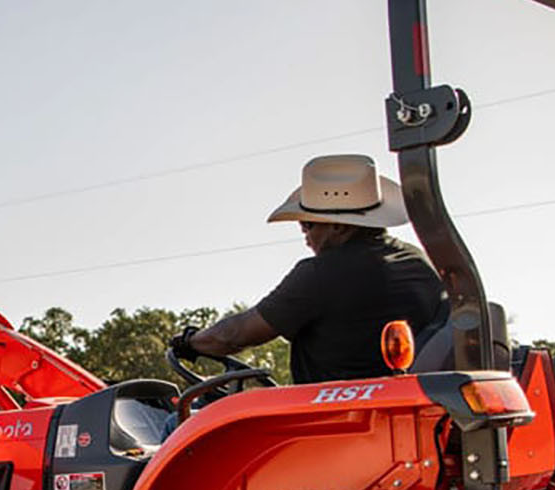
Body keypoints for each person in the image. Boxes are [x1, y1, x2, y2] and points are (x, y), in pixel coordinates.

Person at [173, 154, 447, 385]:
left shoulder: (322, 274)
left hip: (335, 414)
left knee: (175, 421)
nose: (304, 234)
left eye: (308, 224)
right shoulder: (419, 262)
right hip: (396, 401)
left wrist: (190, 341)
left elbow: (235, 335)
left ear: (339, 225)